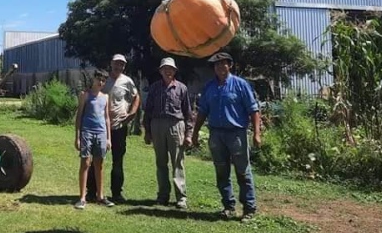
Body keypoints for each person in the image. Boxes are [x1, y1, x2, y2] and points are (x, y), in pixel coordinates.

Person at [190, 52, 262, 221]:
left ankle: (249, 208)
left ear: (230, 65)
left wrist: (257, 133)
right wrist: (194, 132)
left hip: (236, 134)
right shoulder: (209, 87)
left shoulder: (240, 85)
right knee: (221, 171)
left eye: (223, 64)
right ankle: (228, 206)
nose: (220, 67)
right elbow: (202, 112)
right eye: (216, 65)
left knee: (243, 172)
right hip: (216, 135)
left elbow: (254, 110)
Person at [87, 54, 140, 203]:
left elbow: (136, 96)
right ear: (111, 63)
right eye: (116, 63)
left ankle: (116, 193)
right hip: (101, 127)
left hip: (119, 126)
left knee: (118, 161)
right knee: (96, 160)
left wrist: (132, 113)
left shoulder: (127, 81)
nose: (119, 67)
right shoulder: (103, 79)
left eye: (122, 65)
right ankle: (92, 191)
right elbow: (91, 94)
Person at [142, 57, 193, 209]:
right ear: (160, 71)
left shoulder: (181, 88)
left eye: (170, 68)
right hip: (157, 125)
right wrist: (147, 131)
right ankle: (163, 195)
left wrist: (189, 134)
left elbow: (188, 112)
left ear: (175, 71)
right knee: (160, 162)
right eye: (165, 68)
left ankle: (181, 197)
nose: (168, 71)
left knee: (178, 162)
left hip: (176, 125)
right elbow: (148, 111)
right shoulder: (155, 88)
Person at [73, 69, 116, 209]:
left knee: (99, 164)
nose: (101, 83)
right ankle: (82, 198)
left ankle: (100, 196)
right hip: (87, 132)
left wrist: (109, 138)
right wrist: (77, 137)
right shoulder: (85, 95)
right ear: (94, 79)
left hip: (101, 133)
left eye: (103, 81)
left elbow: (107, 118)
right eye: (99, 79)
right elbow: (79, 116)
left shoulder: (105, 97)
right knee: (85, 163)